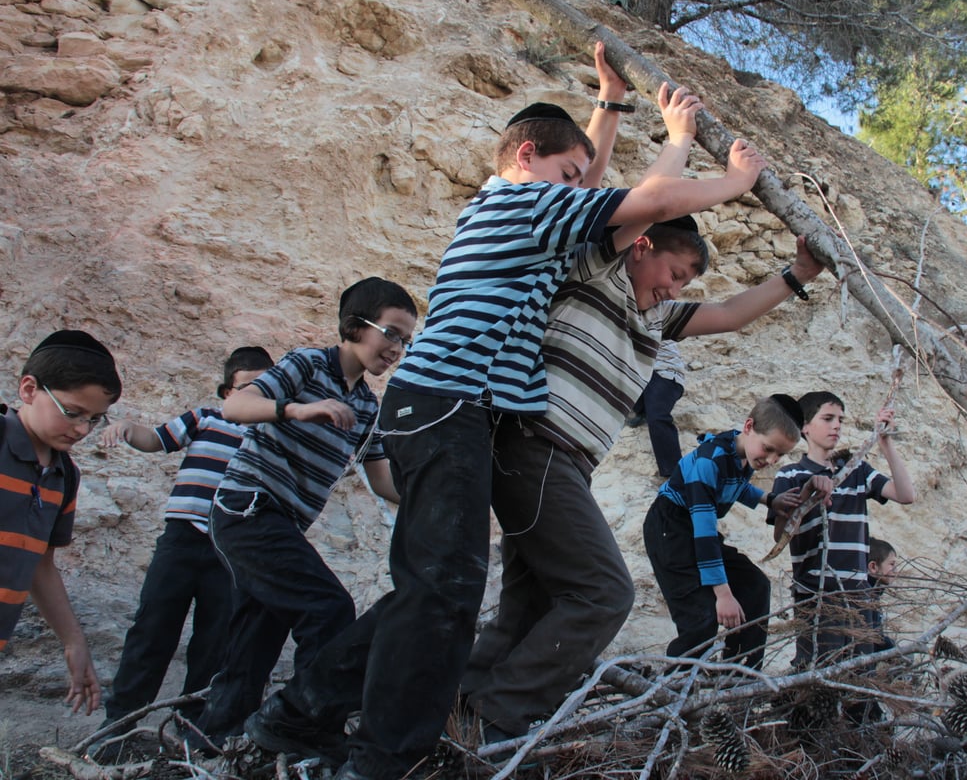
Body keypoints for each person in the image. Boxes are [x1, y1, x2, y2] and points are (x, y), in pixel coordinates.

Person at [244, 44, 772, 779]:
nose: (578, 188)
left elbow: (590, 186)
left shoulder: (535, 218)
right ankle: (374, 755)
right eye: (566, 176)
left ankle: (303, 716)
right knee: (443, 589)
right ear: (526, 159)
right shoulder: (518, 203)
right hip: (445, 403)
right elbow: (644, 203)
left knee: (438, 587)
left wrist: (610, 103)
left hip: (458, 410)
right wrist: (710, 161)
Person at [462, 213, 827, 739]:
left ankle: (463, 705)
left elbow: (727, 313)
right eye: (673, 272)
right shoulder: (597, 274)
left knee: (532, 600)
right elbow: (631, 207)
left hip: (568, 465)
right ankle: (498, 716)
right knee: (607, 592)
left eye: (685, 283)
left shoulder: (658, 317)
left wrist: (798, 275)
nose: (674, 287)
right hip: (539, 448)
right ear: (639, 247)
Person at [192, 278, 413, 748]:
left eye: (406, 340)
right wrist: (296, 410)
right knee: (329, 608)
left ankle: (217, 740)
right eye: (392, 332)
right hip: (246, 508)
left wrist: (436, 498)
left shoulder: (368, 406)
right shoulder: (307, 364)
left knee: (257, 634)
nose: (397, 348)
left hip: (281, 524)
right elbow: (235, 406)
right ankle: (309, 726)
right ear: (355, 326)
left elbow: (381, 480)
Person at [88, 346, 274, 760]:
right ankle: (119, 722)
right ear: (228, 391)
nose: (256, 397)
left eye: (265, 390)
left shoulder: (269, 436)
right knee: (151, 628)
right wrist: (127, 427)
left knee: (215, 641)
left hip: (230, 550)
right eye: (248, 388)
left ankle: (193, 728)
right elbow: (156, 439)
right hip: (181, 542)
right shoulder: (206, 417)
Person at [644, 395, 830, 669]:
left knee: (755, 587)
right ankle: (673, 688)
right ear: (749, 426)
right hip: (670, 529)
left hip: (695, 528)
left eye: (780, 454)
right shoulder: (708, 462)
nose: (771, 459)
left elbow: (734, 486)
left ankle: (738, 677)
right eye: (768, 449)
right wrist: (723, 594)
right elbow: (704, 533)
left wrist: (769, 500)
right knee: (702, 617)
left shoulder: (741, 452)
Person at [1, 329, 122, 717]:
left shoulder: (64, 476)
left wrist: (73, 641)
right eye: (72, 413)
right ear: (29, 389)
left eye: (94, 419)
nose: (83, 430)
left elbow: (40, 563)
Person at [769, 392, 915, 667]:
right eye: (827, 418)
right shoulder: (790, 475)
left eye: (840, 420)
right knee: (818, 672)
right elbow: (780, 537)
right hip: (815, 594)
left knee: (862, 674)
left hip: (859, 594)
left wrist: (886, 443)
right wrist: (806, 494)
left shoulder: (856, 471)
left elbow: (906, 495)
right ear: (805, 427)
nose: (836, 425)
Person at [627, 339, 687, 478]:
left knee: (657, 416)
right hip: (642, 377)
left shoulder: (653, 321)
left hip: (664, 373)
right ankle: (637, 413)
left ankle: (674, 474)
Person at [865, 537, 898, 652]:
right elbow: (871, 638)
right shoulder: (864, 597)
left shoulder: (873, 594)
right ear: (873, 567)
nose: (895, 570)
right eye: (891, 564)